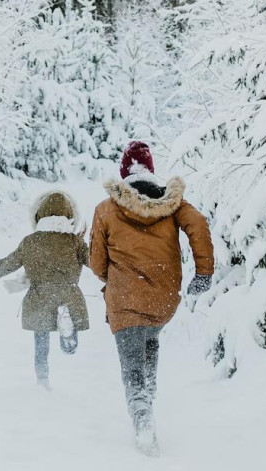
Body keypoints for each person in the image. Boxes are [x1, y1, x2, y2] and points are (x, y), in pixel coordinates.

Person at [89, 141, 214, 456]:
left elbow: (96, 264)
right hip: (163, 297)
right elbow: (198, 224)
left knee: (132, 358)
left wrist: (111, 279)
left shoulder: (106, 209)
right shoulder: (173, 203)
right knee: (150, 338)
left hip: (125, 298)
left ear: (124, 172)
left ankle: (143, 418)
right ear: (151, 169)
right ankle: (150, 396)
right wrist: (203, 273)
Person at [0, 191, 90, 390]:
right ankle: (67, 330)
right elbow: (96, 262)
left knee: (41, 343)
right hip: (69, 294)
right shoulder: (75, 242)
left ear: (39, 215)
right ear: (69, 216)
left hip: (40, 297)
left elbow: (6, 264)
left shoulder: (30, 241)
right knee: (69, 345)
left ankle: (42, 381)